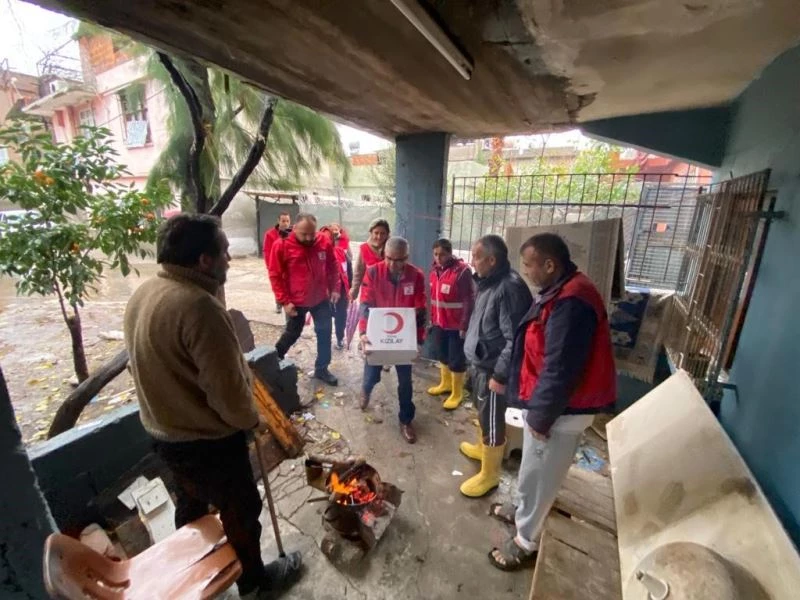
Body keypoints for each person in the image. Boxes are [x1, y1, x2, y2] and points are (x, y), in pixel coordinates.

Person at [123, 214, 302, 599]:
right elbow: (229, 395)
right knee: (241, 511)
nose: (230, 260)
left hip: (164, 434)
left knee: (191, 505)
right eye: (224, 252)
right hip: (208, 442)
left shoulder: (145, 291)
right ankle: (254, 584)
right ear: (204, 260)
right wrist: (252, 420)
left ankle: (195, 572)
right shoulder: (199, 307)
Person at [488, 233, 616, 571]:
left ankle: (526, 540)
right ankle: (522, 510)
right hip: (548, 404)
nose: (525, 272)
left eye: (529, 265)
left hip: (560, 411)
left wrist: (541, 417)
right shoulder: (558, 290)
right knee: (532, 467)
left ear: (549, 264)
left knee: (543, 475)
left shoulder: (573, 302)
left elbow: (561, 368)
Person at [460, 234, 532, 498]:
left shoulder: (508, 288)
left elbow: (516, 338)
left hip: (493, 369)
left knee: (492, 419)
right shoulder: (489, 282)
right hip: (481, 362)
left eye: (476, 257)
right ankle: (483, 450)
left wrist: (500, 375)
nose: (472, 262)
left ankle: (490, 475)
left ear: (491, 260)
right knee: (483, 413)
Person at [358, 236, 426, 444]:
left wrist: (418, 341)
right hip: (378, 334)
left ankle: (406, 420)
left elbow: (420, 310)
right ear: (383, 254)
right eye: (389, 258)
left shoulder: (416, 276)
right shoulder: (373, 272)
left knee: (405, 382)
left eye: (400, 260)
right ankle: (366, 390)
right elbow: (365, 304)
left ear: (407, 257)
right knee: (371, 375)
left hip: (403, 337)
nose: (394, 264)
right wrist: (363, 333)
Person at [268, 213, 340, 386]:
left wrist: (335, 289)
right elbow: (275, 275)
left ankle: (322, 369)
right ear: (294, 229)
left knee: (324, 332)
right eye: (304, 234)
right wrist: (284, 301)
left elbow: (332, 266)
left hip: (320, 298)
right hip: (296, 301)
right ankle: (272, 363)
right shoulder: (282, 245)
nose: (308, 238)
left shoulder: (323, 241)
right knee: (292, 333)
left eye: (311, 233)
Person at [427, 238, 475, 410]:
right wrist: (432, 320)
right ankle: (445, 384)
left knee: (456, 359)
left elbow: (468, 300)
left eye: (442, 254)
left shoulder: (462, 271)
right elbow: (434, 298)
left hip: (456, 326)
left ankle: (457, 393)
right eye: (435, 254)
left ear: (450, 253)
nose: (438, 258)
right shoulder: (434, 271)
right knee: (442, 355)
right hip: (439, 323)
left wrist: (464, 325)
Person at [320, 224, 352, 350]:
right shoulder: (318, 255)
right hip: (324, 292)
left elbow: (349, 271)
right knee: (325, 316)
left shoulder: (341, 252)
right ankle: (324, 340)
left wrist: (349, 289)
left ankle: (340, 338)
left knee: (341, 316)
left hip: (341, 291)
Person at [349, 218, 390, 301]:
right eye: (376, 233)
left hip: (388, 294)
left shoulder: (392, 249)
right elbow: (358, 272)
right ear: (371, 233)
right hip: (369, 294)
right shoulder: (364, 249)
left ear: (387, 234)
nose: (379, 237)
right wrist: (354, 290)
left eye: (382, 233)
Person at [262, 211, 292, 313]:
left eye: (287, 221)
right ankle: (279, 302)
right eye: (283, 221)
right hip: (276, 264)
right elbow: (267, 251)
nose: (285, 223)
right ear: (278, 221)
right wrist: (270, 266)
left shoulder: (293, 233)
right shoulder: (270, 234)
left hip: (289, 265)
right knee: (278, 284)